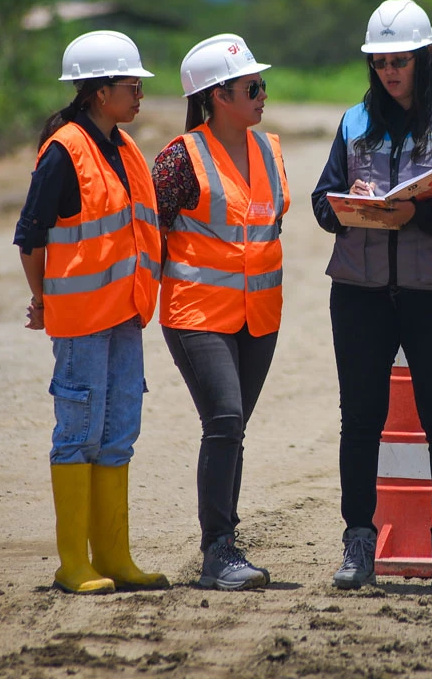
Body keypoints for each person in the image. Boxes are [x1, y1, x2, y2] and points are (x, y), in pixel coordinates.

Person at [310, 0, 432, 590]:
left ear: (424, 59)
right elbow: (321, 203)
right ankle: (357, 545)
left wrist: (423, 211)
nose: (390, 71)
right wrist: (352, 205)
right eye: (381, 61)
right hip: (360, 295)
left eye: (401, 61)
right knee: (359, 420)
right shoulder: (353, 121)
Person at [14, 29, 167, 595]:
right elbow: (31, 235)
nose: (140, 93)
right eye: (132, 84)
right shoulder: (65, 149)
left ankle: (114, 556)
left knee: (119, 430)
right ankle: (72, 565)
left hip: (125, 315)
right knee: (77, 432)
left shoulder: (124, 148)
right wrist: (43, 298)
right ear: (100, 92)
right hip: (81, 321)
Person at [153, 33, 289, 591]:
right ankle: (218, 552)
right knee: (225, 420)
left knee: (233, 430)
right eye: (251, 87)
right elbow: (145, 232)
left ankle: (224, 546)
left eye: (262, 84)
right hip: (196, 315)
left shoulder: (271, 150)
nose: (262, 95)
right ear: (217, 96)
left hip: (258, 317)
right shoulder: (180, 158)